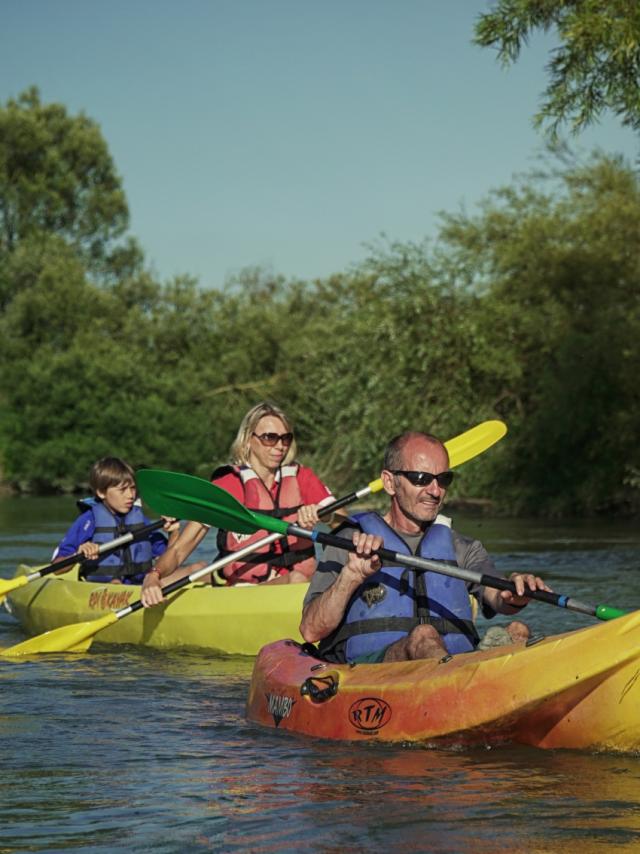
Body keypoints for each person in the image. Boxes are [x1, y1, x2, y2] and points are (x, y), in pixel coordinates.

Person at [300, 431, 551, 664]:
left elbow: (498, 597)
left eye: (444, 479)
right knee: (423, 636)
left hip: (453, 668)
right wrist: (351, 576)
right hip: (371, 671)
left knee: (518, 631)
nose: (435, 491)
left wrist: (515, 593)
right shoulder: (349, 541)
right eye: (421, 479)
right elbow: (311, 630)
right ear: (389, 482)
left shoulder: (462, 547)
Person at [140, 401, 335, 607]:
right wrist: (153, 575)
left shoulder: (301, 478)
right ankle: (148, 588)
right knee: (296, 578)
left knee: (302, 577)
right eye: (270, 438)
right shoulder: (228, 485)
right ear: (248, 440)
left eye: (285, 438)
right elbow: (180, 549)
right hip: (243, 591)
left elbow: (342, 523)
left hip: (298, 585)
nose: (280, 446)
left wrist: (325, 515)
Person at [53, 456, 179, 584]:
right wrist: (78, 555)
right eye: (122, 490)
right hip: (105, 589)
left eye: (133, 488)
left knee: (196, 567)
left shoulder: (140, 520)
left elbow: (170, 557)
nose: (130, 495)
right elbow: (56, 568)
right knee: (115, 581)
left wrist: (173, 532)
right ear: (101, 493)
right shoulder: (88, 520)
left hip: (142, 585)